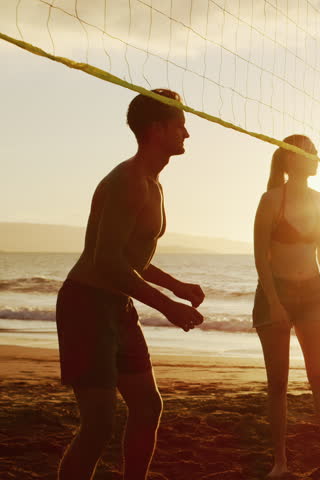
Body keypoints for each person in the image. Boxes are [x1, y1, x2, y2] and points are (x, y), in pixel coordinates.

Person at [56, 89, 205, 480]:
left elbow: (131, 256)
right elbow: (107, 261)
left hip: (117, 306)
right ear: (157, 129)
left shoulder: (153, 183)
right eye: (180, 125)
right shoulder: (129, 180)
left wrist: (176, 286)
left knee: (147, 407)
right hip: (87, 305)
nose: (186, 133)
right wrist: (168, 307)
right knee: (99, 425)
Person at [252, 134, 320, 477]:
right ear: (291, 159)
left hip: (312, 294)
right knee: (279, 384)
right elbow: (260, 258)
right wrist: (274, 303)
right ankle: (280, 464)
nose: (316, 157)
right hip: (275, 295)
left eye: (315, 151)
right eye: (310, 152)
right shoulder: (270, 200)